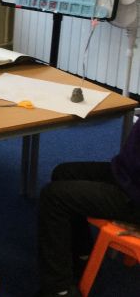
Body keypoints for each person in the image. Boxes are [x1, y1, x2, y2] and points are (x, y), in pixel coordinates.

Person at [37, 117, 140, 297]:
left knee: (53, 197)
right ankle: (83, 255)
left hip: (134, 196)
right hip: (127, 175)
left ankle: (59, 290)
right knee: (63, 173)